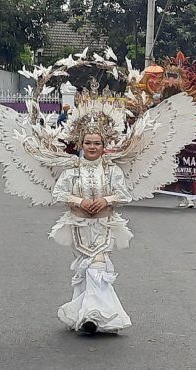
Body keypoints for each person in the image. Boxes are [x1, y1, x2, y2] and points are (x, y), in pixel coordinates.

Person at [50, 131, 134, 334]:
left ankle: (93, 316)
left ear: (104, 146)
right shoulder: (71, 170)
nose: (92, 147)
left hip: (105, 226)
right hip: (78, 227)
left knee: (98, 268)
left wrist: (106, 200)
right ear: (81, 144)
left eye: (97, 143)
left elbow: (124, 194)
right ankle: (80, 313)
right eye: (88, 142)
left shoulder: (112, 170)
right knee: (84, 270)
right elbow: (58, 193)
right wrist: (80, 201)